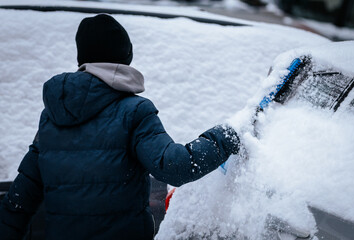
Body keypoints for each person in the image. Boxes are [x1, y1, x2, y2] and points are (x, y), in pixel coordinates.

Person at [0, 14, 240, 240]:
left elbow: (18, 203)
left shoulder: (51, 117)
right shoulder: (134, 111)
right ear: (125, 56)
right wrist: (228, 135)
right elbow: (176, 167)